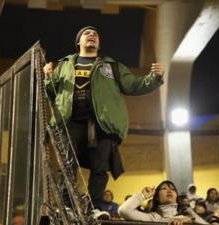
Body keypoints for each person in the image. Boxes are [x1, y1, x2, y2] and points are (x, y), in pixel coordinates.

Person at [43, 26, 164, 208]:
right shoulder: (64, 65)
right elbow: (52, 94)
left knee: (100, 168)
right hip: (70, 122)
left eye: (95, 34)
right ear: (78, 42)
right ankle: (66, 204)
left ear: (98, 44)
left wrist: (155, 77)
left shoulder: (112, 67)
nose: (92, 35)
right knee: (67, 165)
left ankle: (94, 206)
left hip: (103, 123)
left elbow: (134, 85)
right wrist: (48, 77)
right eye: (87, 33)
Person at [118, 180, 208, 225]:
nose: (169, 191)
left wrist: (190, 220)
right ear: (157, 197)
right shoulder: (151, 218)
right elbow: (124, 211)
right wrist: (143, 196)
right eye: (164, 188)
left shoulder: (187, 214)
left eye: (173, 189)